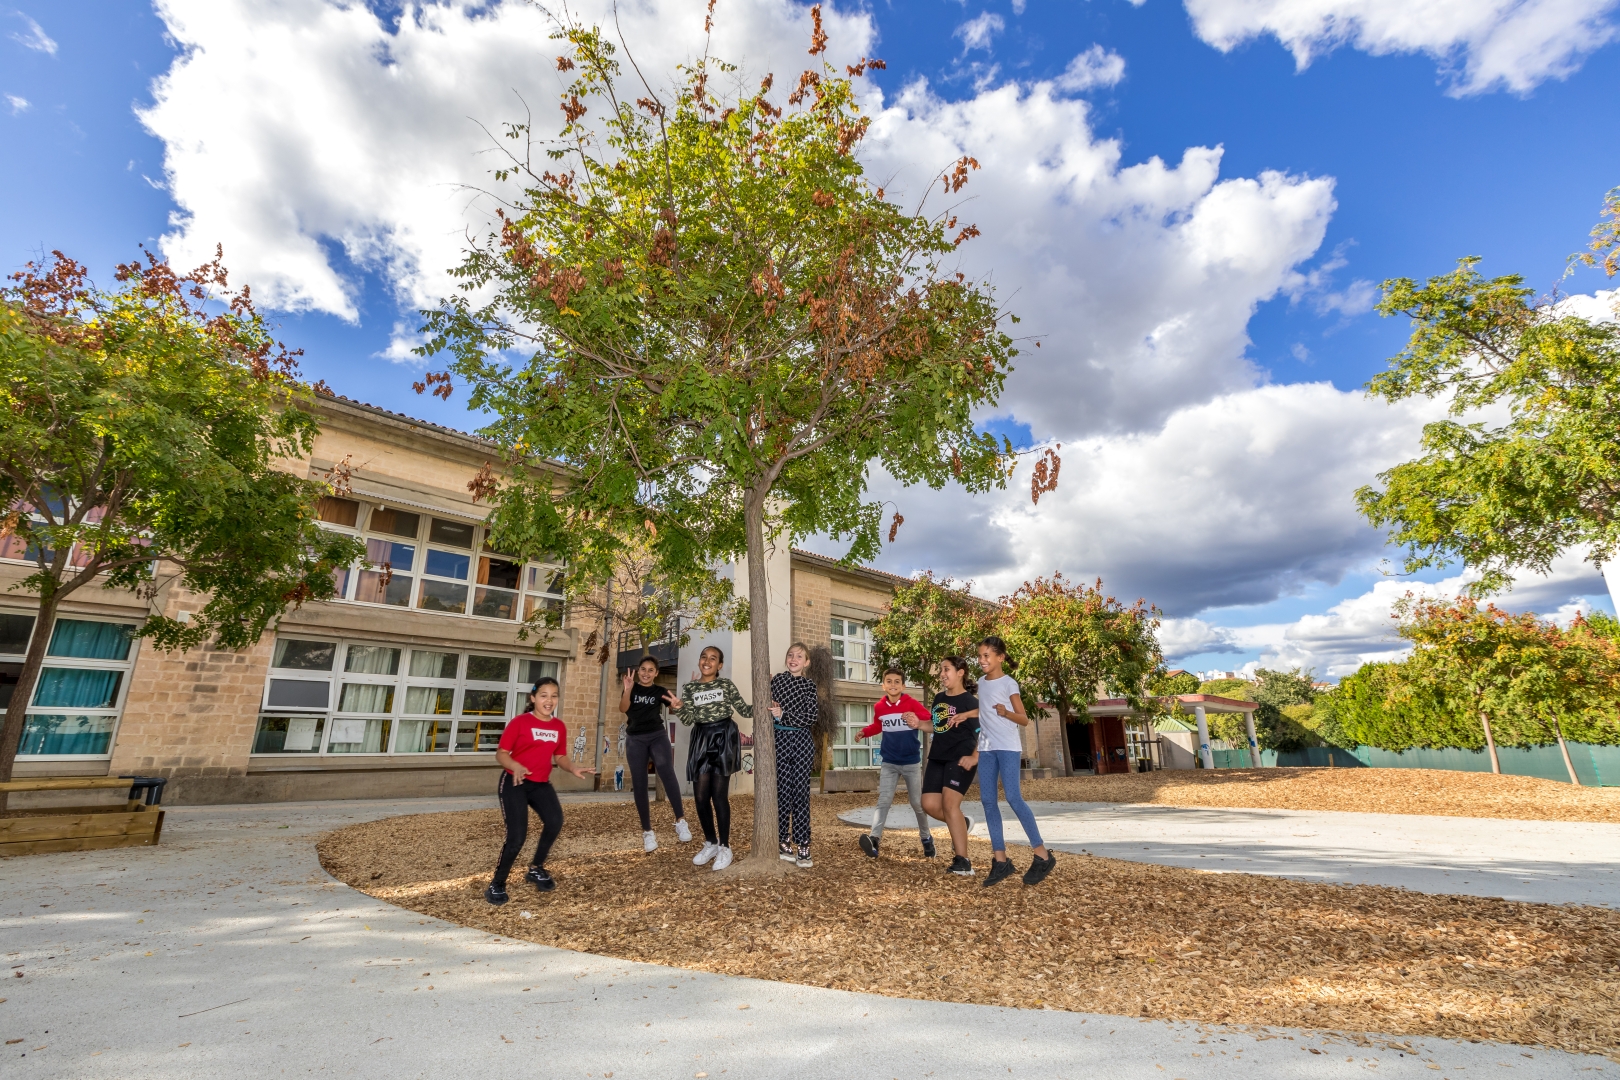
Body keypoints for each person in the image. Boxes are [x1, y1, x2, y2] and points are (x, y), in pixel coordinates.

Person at [486, 676, 596, 905]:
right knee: (517, 837)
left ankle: (536, 868)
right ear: (533, 698)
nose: (549, 700)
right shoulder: (519, 722)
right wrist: (515, 765)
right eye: (544, 695)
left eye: (554, 696)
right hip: (515, 782)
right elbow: (501, 753)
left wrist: (573, 768)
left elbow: (560, 756)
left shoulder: (558, 726)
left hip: (540, 784)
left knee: (555, 822)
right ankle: (497, 883)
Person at [975, 636, 1056, 887]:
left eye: (987, 655)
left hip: (1008, 748)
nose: (982, 660)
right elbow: (982, 711)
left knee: (1013, 797)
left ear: (1000, 657)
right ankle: (1001, 861)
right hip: (986, 748)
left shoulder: (1009, 683)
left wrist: (1006, 712)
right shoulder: (980, 683)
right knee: (988, 801)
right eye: (979, 656)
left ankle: (1042, 854)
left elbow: (1024, 719)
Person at [674, 645, 751, 872]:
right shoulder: (690, 688)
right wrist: (679, 707)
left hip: (723, 738)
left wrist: (768, 700)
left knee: (718, 796)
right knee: (700, 797)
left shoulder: (726, 685)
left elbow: (745, 710)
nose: (707, 661)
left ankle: (725, 847)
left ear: (720, 665)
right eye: (703, 657)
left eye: (713, 658)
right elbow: (688, 720)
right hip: (701, 739)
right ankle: (711, 843)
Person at [858, 666, 935, 859]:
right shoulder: (879, 707)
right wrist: (865, 732)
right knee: (883, 801)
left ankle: (926, 839)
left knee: (917, 803)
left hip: (911, 763)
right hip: (889, 763)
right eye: (889, 681)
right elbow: (878, 725)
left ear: (903, 685)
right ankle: (874, 839)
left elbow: (928, 719)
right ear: (883, 686)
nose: (893, 685)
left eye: (897, 682)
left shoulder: (912, 703)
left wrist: (916, 718)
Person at [618, 656, 691, 853]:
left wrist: (678, 704)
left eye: (651, 670)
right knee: (640, 782)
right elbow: (623, 709)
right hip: (635, 739)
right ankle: (647, 832)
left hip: (657, 736)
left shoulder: (660, 691)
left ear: (656, 673)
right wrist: (627, 690)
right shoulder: (631, 687)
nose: (646, 673)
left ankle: (681, 821)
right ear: (638, 671)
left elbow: (674, 706)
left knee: (667, 771)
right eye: (643, 669)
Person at [920, 655, 979, 877]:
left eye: (946, 669)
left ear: (960, 672)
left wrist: (975, 757)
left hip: (961, 757)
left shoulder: (970, 702)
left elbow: (984, 733)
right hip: (938, 757)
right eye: (941, 670)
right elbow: (937, 726)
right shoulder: (939, 698)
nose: (942, 674)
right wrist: (919, 724)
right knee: (928, 804)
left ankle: (963, 862)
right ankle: (961, 823)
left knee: (949, 804)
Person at [768, 642, 818, 868]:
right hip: (779, 740)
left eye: (799, 656)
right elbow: (767, 703)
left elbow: (811, 716)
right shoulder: (777, 680)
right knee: (782, 792)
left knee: (800, 793)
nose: (794, 659)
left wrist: (784, 714)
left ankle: (803, 844)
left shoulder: (809, 685)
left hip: (802, 741)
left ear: (806, 662)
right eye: (790, 655)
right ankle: (783, 840)